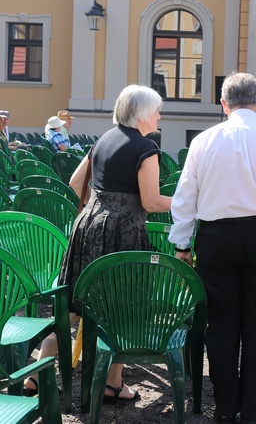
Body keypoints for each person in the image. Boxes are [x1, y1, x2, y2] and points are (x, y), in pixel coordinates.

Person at [169, 72, 256, 422]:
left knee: (221, 323)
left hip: (218, 238)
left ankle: (224, 405)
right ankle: (252, 408)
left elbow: (185, 197)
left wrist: (182, 244)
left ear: (224, 104)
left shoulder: (204, 141)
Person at [25, 85, 171, 402]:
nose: (160, 115)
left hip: (87, 226)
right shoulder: (146, 148)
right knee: (123, 307)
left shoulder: (102, 140)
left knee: (74, 306)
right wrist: (188, 201)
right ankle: (112, 384)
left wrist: (99, 207)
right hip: (123, 234)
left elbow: (75, 183)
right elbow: (151, 201)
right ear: (144, 114)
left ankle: (35, 374)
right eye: (157, 110)